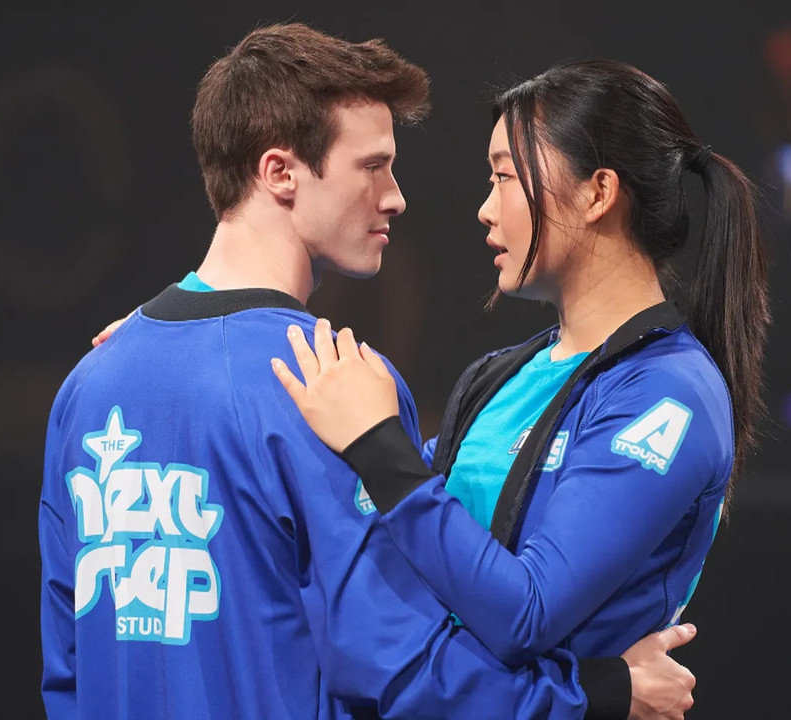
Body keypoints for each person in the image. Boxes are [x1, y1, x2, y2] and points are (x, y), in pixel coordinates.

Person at [45, 25, 697, 720]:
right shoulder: (333, 386)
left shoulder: (90, 381)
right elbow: (400, 669)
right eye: (373, 166)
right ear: (280, 173)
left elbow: (67, 670)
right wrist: (596, 693)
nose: (395, 197)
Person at [275, 58, 770, 669]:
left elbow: (526, 613)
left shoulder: (669, 394)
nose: (486, 209)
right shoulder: (498, 376)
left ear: (598, 193)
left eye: (504, 176)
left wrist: (379, 444)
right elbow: (389, 531)